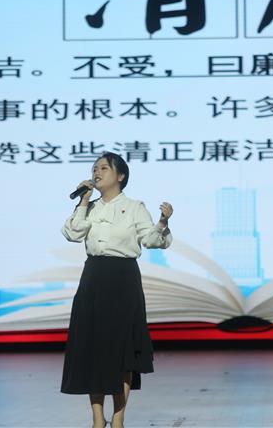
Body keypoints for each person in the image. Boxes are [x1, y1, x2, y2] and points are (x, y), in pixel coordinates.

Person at [59, 151, 173, 428]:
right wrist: (83, 201)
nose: (96, 173)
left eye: (103, 168)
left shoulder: (134, 207)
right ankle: (98, 419)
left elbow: (152, 240)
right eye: (94, 169)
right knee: (93, 348)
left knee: (123, 350)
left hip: (123, 279)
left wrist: (162, 222)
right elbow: (73, 233)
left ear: (120, 175)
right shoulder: (89, 206)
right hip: (93, 278)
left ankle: (118, 418)